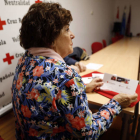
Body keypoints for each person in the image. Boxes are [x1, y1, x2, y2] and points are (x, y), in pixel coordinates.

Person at [11, 2, 138, 140]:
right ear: (50, 38)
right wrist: (116, 104)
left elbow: (46, 93)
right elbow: (88, 133)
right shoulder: (65, 75)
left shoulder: (24, 61)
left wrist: (81, 87)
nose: (73, 35)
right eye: (66, 29)